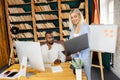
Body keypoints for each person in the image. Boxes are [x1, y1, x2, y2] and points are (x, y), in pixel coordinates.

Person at [68, 9, 91, 80]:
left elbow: (88, 42)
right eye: (71, 17)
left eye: (75, 16)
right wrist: (71, 49)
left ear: (80, 16)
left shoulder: (85, 27)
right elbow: (71, 41)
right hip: (75, 55)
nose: (73, 19)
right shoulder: (73, 28)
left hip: (84, 55)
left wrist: (78, 49)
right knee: (77, 75)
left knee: (87, 75)